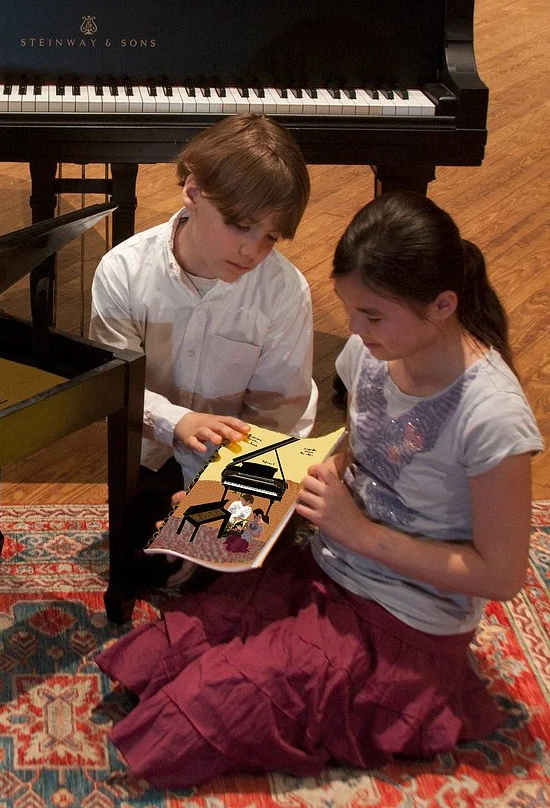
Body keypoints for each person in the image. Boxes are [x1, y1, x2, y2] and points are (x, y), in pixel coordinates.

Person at [96, 191, 543, 785]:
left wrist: (359, 532)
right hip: (332, 570)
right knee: (170, 649)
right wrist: (229, 497)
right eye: (350, 311)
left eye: (372, 316)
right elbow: (362, 455)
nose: (353, 331)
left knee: (210, 701)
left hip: (405, 623)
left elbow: (501, 575)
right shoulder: (372, 353)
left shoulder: (493, 417)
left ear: (442, 305)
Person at [89, 114, 318, 585]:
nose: (254, 251)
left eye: (271, 236)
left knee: (243, 566)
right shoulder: (124, 271)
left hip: (245, 467)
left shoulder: (284, 291)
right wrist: (178, 423)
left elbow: (278, 416)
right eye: (240, 226)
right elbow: (110, 387)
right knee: (142, 568)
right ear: (193, 191)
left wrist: (215, 495)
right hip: (152, 451)